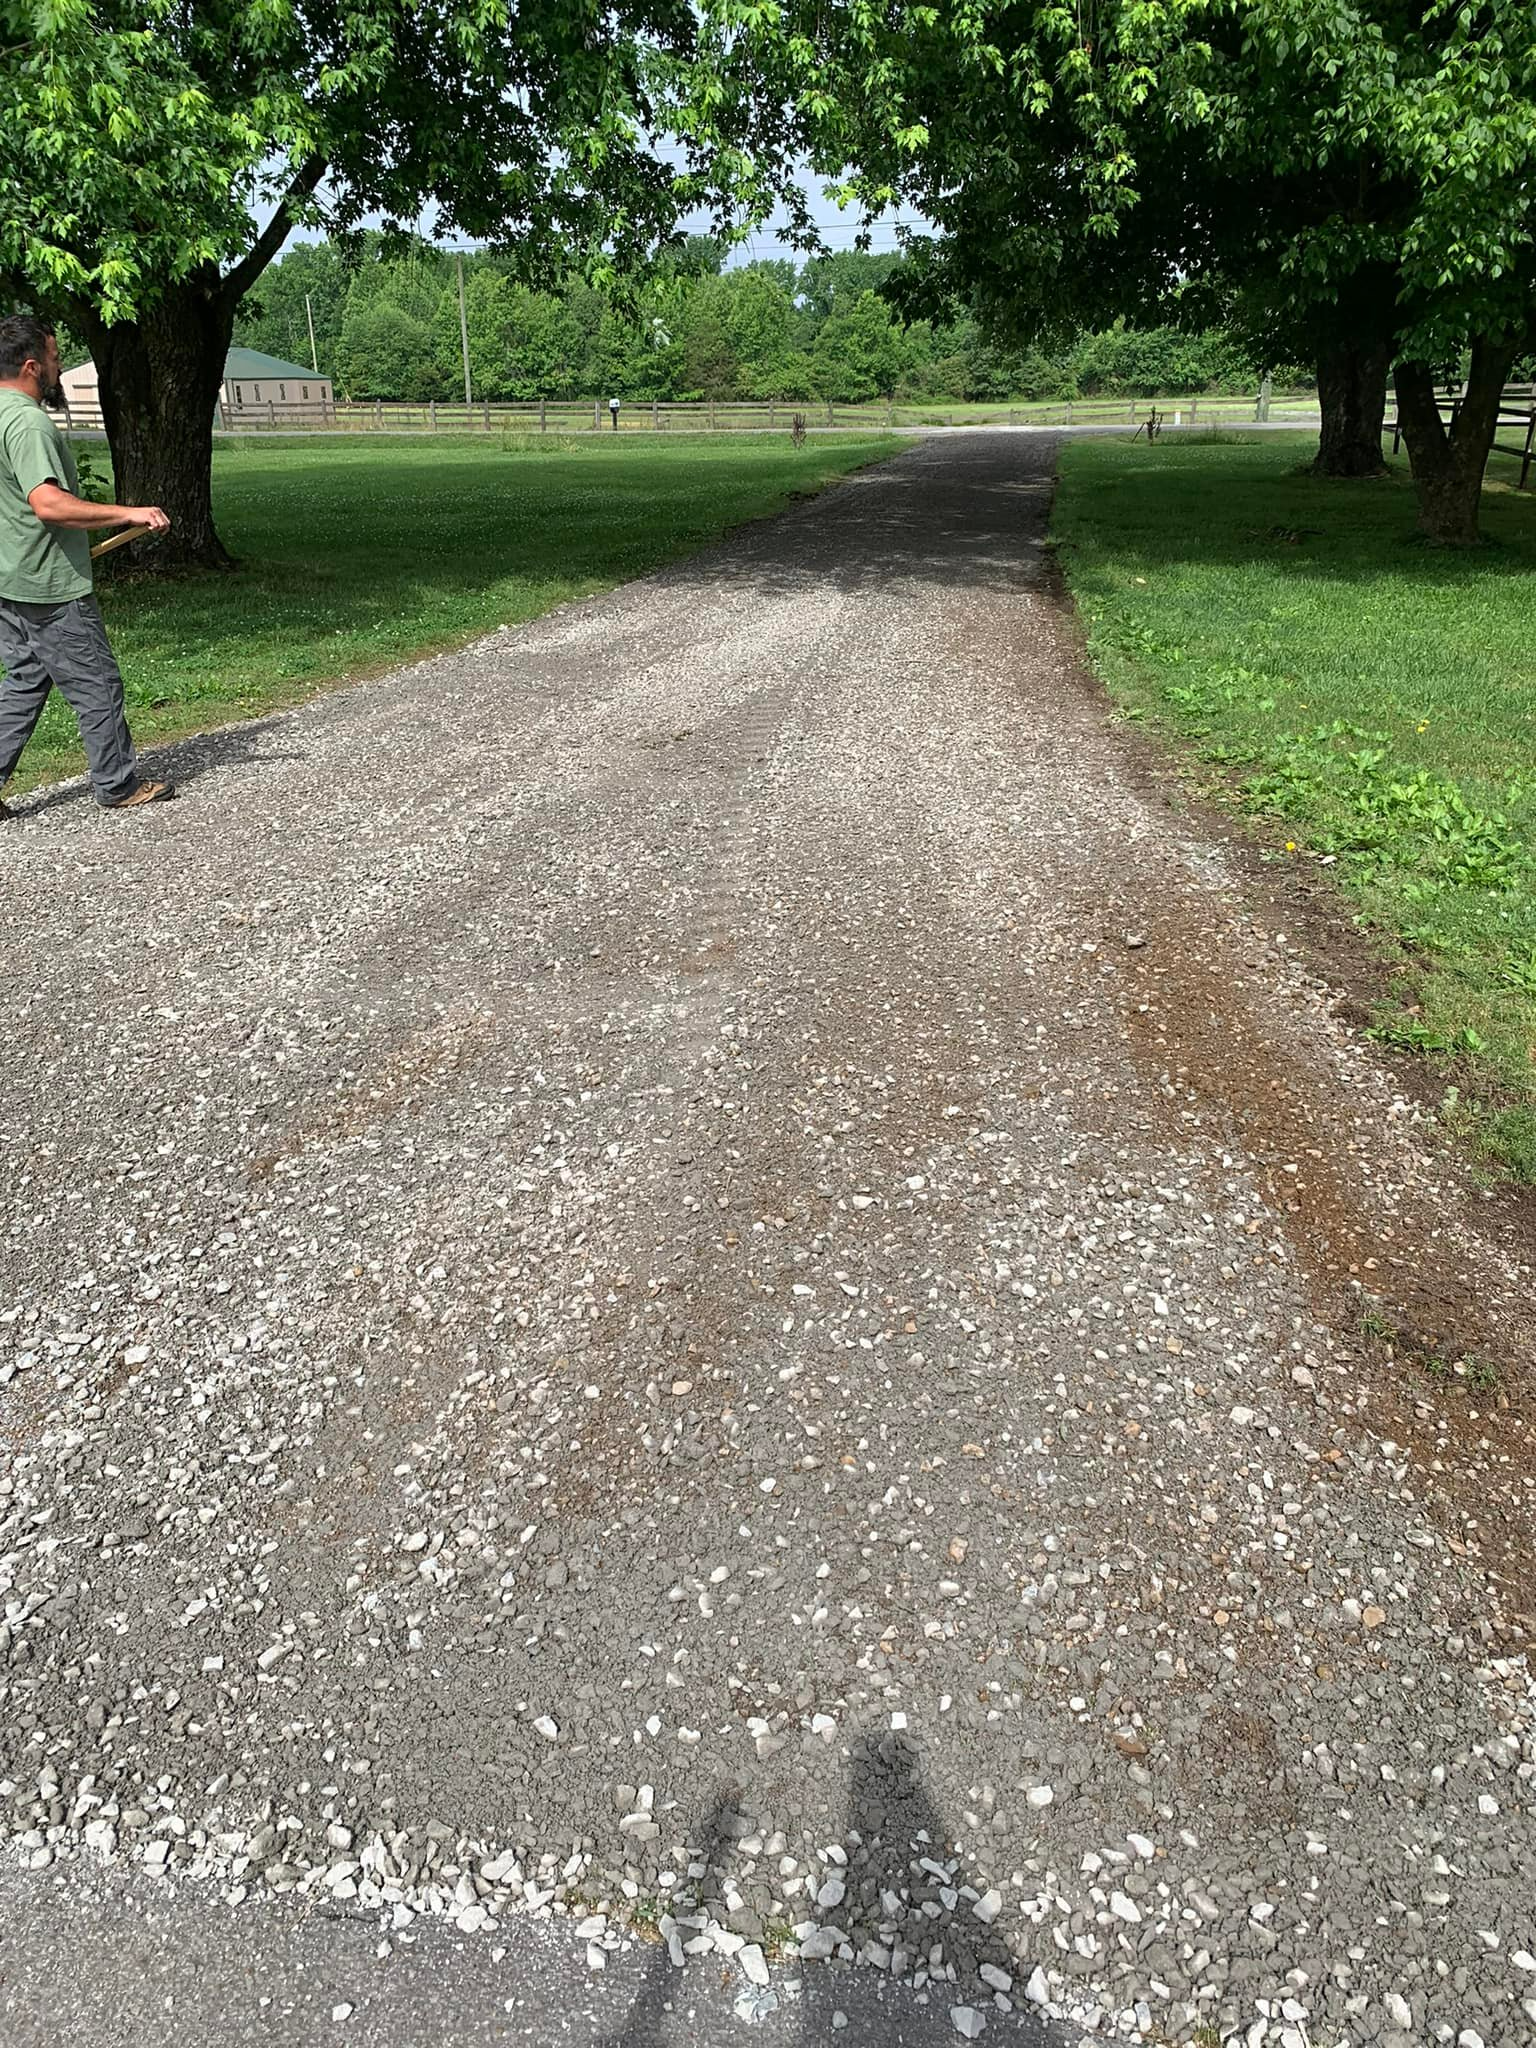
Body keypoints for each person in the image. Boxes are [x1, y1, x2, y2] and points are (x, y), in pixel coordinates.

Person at [0, 313, 175, 816]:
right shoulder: (27, 423)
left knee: (25, 682)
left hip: (11, 580)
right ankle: (118, 785)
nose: (59, 366)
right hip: (48, 585)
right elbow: (48, 504)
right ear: (31, 366)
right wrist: (129, 511)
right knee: (97, 682)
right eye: (55, 358)